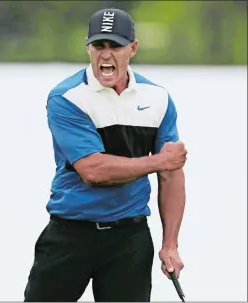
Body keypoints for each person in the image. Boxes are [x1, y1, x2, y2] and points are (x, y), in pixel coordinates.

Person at [24, 7, 187, 302]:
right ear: (89, 47)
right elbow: (94, 171)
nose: (106, 54)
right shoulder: (67, 98)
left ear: (133, 48)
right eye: (99, 45)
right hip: (70, 235)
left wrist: (170, 244)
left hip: (130, 238)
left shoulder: (158, 99)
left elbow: (171, 173)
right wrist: (158, 161)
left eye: (116, 45)